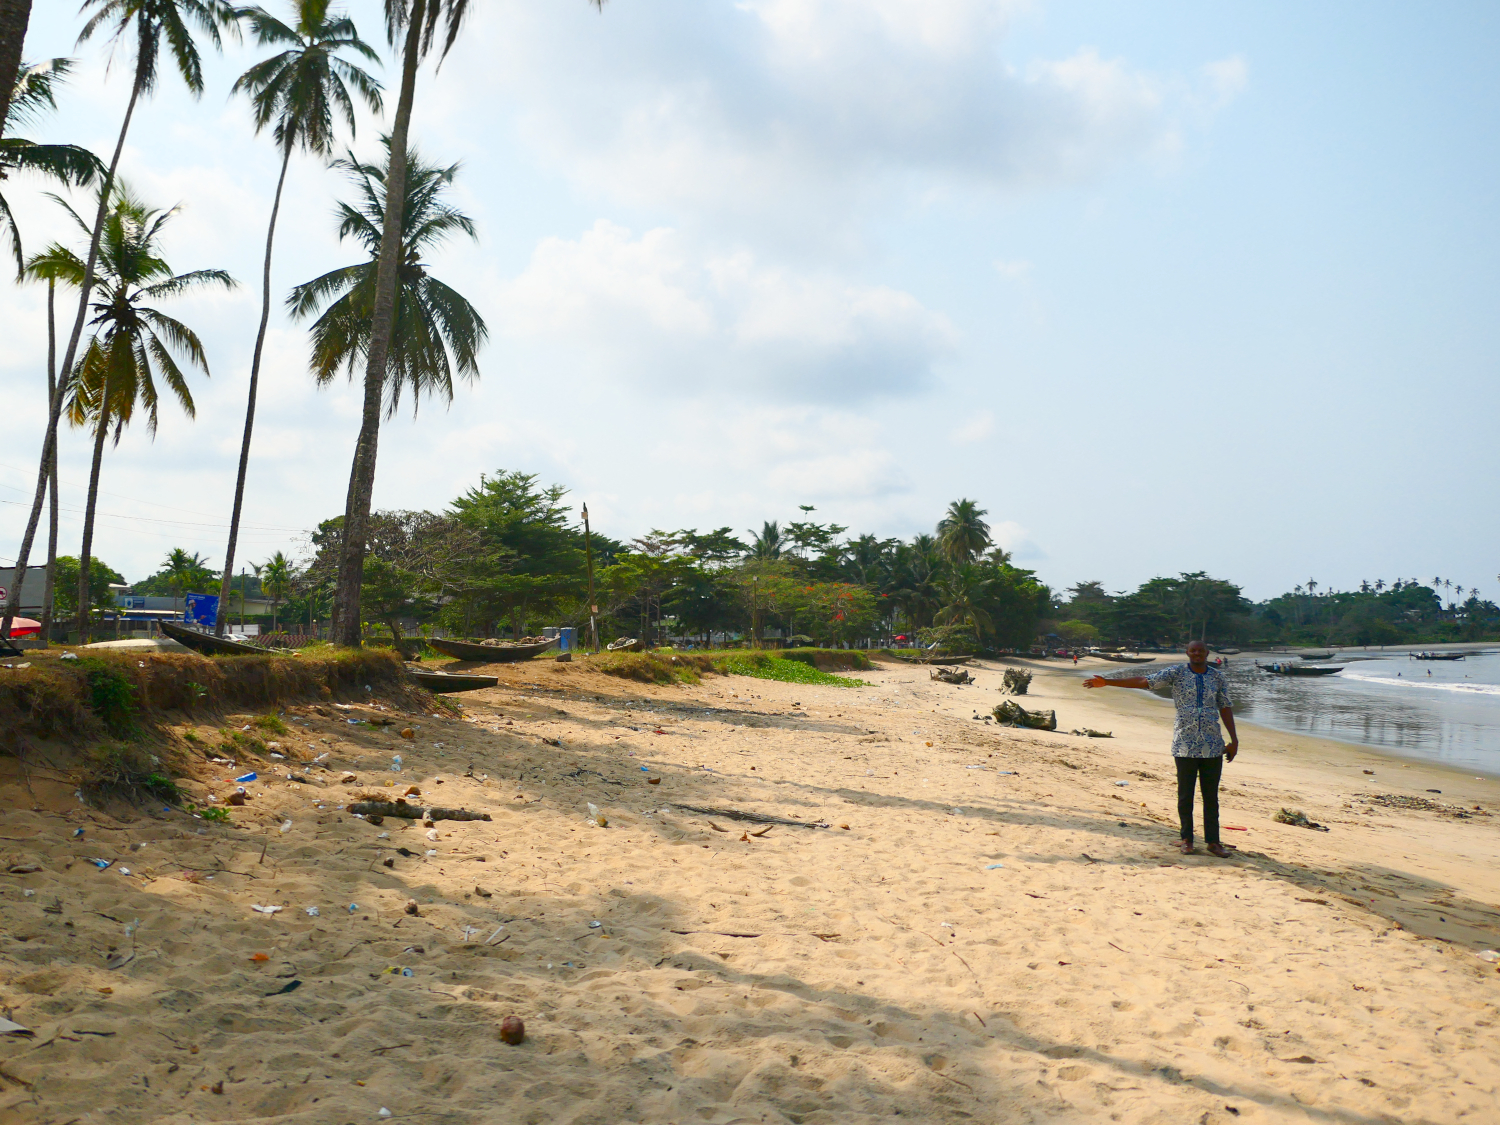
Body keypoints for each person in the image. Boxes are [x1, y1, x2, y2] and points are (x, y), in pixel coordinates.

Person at [1084, 639, 1239, 857]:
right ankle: (1187, 839)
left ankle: (1213, 842)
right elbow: (1144, 681)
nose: (1197, 654)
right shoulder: (1176, 672)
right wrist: (1108, 682)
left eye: (1201, 651)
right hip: (1184, 743)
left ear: (1207, 653)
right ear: (1187, 652)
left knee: (1211, 796)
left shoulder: (1217, 676)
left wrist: (1234, 740)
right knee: (1185, 795)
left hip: (1212, 744)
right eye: (1193, 650)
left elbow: (1225, 706)